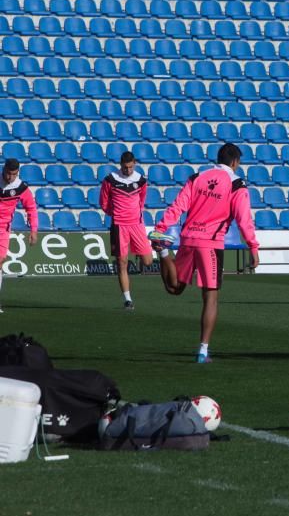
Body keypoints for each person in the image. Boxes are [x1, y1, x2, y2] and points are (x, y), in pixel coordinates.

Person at [148, 143, 259, 364]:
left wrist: (161, 228)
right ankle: (203, 351)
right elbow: (244, 219)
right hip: (210, 243)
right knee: (211, 297)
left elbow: (178, 206)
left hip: (188, 238)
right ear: (235, 162)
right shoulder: (237, 184)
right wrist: (253, 247)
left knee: (174, 287)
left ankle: (163, 252)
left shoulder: (197, 177)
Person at [99, 151, 153, 310]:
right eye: (124, 167)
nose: (127, 170)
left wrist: (135, 214)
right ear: (120, 164)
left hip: (136, 224)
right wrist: (116, 214)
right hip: (119, 225)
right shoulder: (110, 179)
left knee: (148, 261)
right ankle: (128, 300)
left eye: (130, 167)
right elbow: (103, 202)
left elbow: (142, 200)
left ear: (134, 164)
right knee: (122, 263)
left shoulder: (141, 180)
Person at [0, 159, 37, 313]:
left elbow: (31, 208)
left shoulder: (21, 187)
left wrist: (33, 230)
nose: (10, 177)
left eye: (14, 174)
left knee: (0, 261)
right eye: (8, 174)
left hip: (3, 228)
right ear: (4, 170)